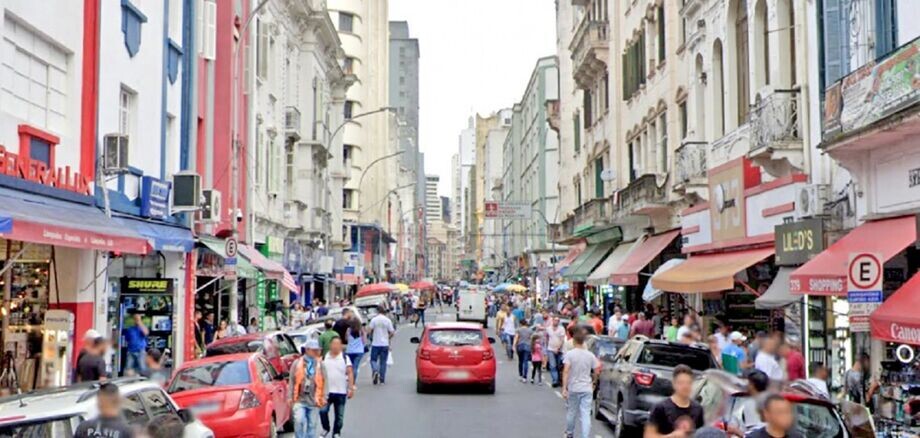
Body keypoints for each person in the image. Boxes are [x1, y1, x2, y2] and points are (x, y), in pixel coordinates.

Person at [562, 326, 601, 438]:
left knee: (572, 412)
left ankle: (569, 433)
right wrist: (593, 382)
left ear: (574, 341)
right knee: (585, 414)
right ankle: (585, 436)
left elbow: (566, 371)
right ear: (584, 341)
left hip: (574, 387)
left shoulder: (570, 354)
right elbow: (597, 370)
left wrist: (565, 388)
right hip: (586, 388)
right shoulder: (590, 355)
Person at [645, 364, 705, 437]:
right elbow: (648, 435)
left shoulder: (698, 409)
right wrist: (672, 436)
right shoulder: (660, 407)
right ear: (674, 383)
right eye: (681, 383)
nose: (685, 386)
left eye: (688, 383)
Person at [290, 339, 326, 438]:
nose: (316, 352)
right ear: (307, 350)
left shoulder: (320, 364)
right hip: (300, 399)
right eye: (314, 350)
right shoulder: (297, 363)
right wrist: (290, 397)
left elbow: (325, 381)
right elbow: (292, 381)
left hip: (314, 401)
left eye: (317, 350)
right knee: (299, 420)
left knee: (312, 425)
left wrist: (324, 396)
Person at [320, 337, 354, 438]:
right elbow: (319, 374)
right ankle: (326, 428)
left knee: (339, 416)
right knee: (323, 411)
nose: (335, 346)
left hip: (341, 391)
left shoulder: (344, 358)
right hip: (326, 392)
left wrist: (350, 388)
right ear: (330, 346)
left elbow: (350, 372)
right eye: (334, 344)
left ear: (341, 346)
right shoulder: (324, 358)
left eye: (338, 344)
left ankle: (336, 432)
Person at [367, 305, 395, 385]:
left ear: (377, 311)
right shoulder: (387, 320)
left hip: (375, 343)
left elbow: (369, 330)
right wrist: (388, 337)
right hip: (385, 344)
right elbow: (392, 332)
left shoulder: (374, 320)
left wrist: (369, 335)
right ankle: (382, 380)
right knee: (383, 362)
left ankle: (375, 370)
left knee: (373, 360)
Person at [344, 316, 366, 382]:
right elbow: (364, 340)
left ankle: (350, 378)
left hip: (350, 351)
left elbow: (346, 339)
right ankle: (353, 382)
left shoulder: (348, 330)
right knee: (355, 367)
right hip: (359, 351)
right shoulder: (361, 330)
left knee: (350, 366)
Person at [513, 319, 533, 383]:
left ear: (520, 324)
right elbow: (531, 339)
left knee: (520, 361)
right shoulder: (530, 330)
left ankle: (520, 375)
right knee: (526, 361)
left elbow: (516, 337)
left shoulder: (518, 330)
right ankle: (525, 377)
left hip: (520, 346)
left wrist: (514, 345)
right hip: (527, 346)